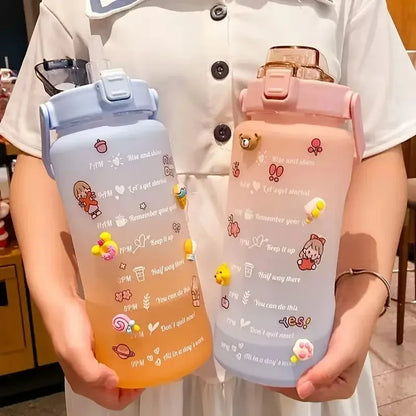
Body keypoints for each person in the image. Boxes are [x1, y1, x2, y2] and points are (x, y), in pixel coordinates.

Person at [1, 0, 416, 415]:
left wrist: (360, 298)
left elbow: (376, 146)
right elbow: (41, 153)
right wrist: (59, 302)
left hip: (301, 339)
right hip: (137, 344)